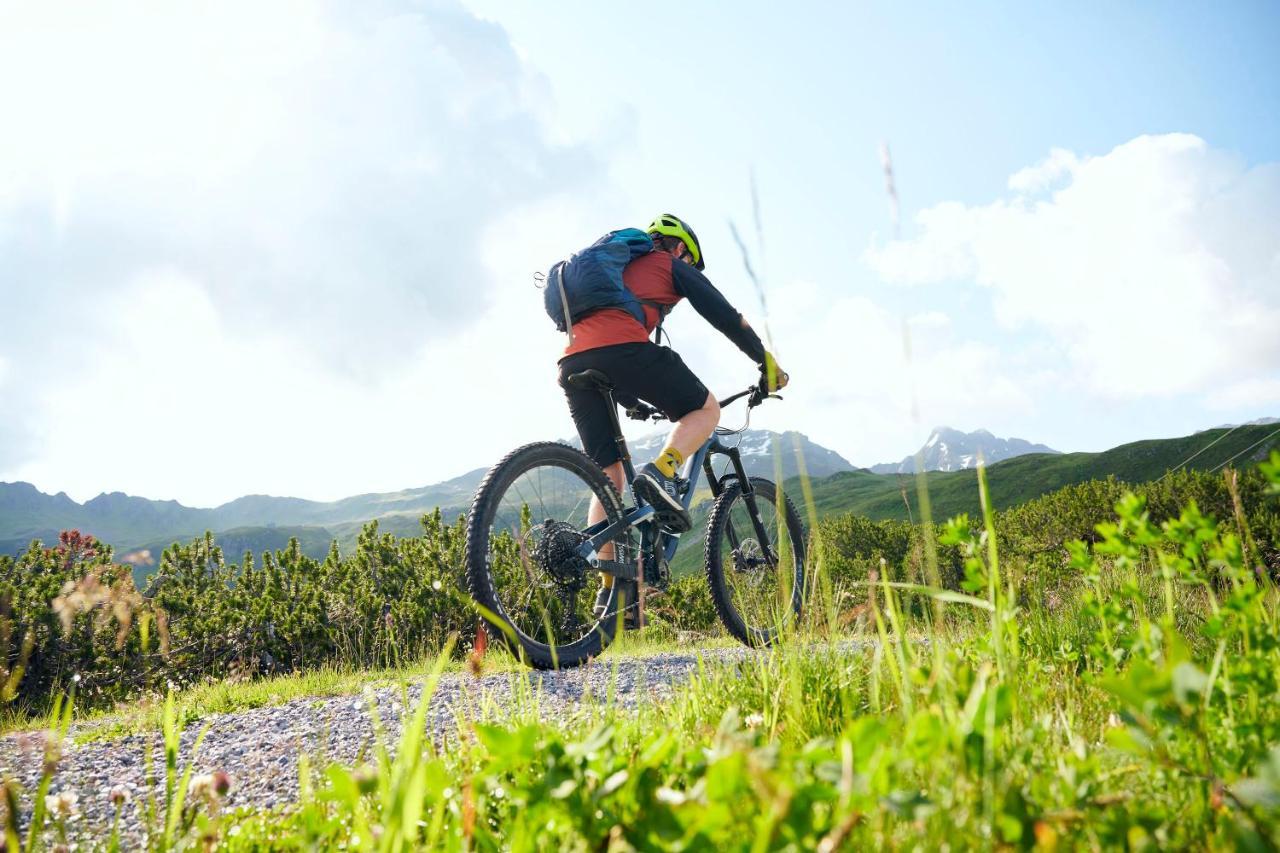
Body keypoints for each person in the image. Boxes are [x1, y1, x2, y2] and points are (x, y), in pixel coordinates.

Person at [555, 214, 788, 611]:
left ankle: (611, 589)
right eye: (689, 259)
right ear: (679, 248)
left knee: (607, 473)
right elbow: (726, 316)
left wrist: (634, 402)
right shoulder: (669, 264)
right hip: (623, 350)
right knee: (705, 409)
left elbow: (609, 341)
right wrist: (766, 364)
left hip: (573, 361)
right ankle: (663, 471)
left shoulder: (614, 272)